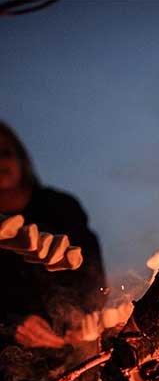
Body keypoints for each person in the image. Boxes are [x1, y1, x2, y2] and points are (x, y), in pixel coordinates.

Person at [0, 121, 106, 350]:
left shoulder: (60, 207)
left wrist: (85, 317)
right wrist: (8, 324)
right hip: (12, 365)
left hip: (76, 347)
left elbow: (90, 268)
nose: (1, 161)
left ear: (21, 157)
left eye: (6, 152)